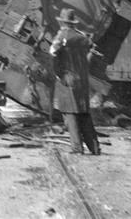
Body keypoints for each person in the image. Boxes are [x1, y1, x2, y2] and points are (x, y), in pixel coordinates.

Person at [49, 8, 100, 155]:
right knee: (84, 113)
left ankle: (77, 148)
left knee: (70, 114)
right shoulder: (82, 37)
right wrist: (84, 67)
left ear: (62, 23)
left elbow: (53, 55)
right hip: (82, 80)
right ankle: (95, 148)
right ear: (73, 23)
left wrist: (60, 74)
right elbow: (93, 47)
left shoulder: (61, 37)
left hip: (68, 80)